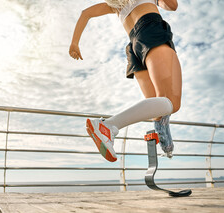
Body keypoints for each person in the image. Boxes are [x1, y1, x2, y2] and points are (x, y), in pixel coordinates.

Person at [69, 0, 181, 161]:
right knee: (171, 102)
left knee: (157, 110)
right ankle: (107, 126)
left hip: (134, 45)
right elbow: (172, 5)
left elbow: (85, 14)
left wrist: (74, 43)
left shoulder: (116, 5)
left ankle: (166, 145)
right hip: (151, 29)